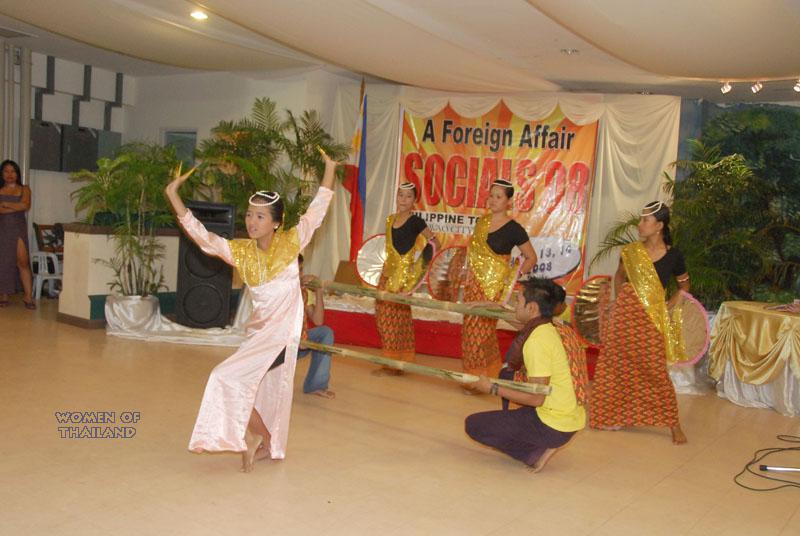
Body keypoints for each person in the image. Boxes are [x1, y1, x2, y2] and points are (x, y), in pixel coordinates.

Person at [165, 152, 338, 472]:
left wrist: (329, 170)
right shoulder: (241, 252)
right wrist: (173, 195)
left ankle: (260, 436)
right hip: (257, 335)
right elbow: (203, 237)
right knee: (244, 388)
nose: (251, 221)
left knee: (224, 378)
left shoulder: (292, 243)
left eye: (260, 216)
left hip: (281, 337)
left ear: (276, 222)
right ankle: (266, 439)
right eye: (249, 215)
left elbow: (317, 210)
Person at [589, 201, 690, 444]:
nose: (639, 224)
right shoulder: (631, 251)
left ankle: (673, 424)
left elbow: (684, 285)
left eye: (645, 220)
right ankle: (611, 415)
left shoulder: (674, 255)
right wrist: (616, 302)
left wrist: (674, 300)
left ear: (659, 226)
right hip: (624, 316)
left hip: (652, 319)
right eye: (641, 219)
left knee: (655, 371)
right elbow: (619, 276)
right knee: (614, 366)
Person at [465, 278, 586, 472]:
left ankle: (534, 451)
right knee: (510, 388)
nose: (514, 306)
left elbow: (536, 398)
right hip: (569, 416)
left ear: (531, 308)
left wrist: (492, 388)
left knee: (474, 425)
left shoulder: (537, 342)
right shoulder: (551, 326)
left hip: (554, 423)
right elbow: (518, 321)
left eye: (518, 302)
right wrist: (493, 307)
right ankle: (542, 442)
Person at [462, 179, 536, 380]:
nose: (493, 200)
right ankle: (484, 374)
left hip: (493, 289)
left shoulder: (514, 229)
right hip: (473, 285)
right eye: (491, 195)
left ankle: (479, 377)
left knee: (481, 332)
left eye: (498, 197)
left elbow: (531, 258)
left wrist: (512, 277)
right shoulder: (481, 222)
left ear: (508, 202)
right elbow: (474, 255)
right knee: (470, 331)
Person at [373, 182, 438, 375]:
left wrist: (417, 271)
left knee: (394, 320)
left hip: (403, 280)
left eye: (408, 196)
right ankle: (395, 362)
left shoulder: (416, 221)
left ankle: (395, 364)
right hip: (387, 274)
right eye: (401, 195)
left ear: (414, 201)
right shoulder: (390, 219)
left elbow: (435, 243)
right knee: (384, 318)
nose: (403, 200)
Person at [297, 253, 335, 399]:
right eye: (295, 270)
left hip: (301, 342)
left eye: (300, 270)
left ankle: (315, 385)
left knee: (325, 333)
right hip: (281, 345)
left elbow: (318, 321)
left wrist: (318, 290)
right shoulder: (280, 290)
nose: (299, 274)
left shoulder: (304, 291)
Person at [0, 160, 34, 309]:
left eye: (13, 171)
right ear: (2, 174)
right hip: (2, 228)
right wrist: (17, 206)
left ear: (18, 173)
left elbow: (26, 205)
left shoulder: (25, 189)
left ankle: (28, 297)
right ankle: (4, 295)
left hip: (18, 228)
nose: (10, 174)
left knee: (23, 262)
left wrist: (6, 204)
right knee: (3, 262)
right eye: (6, 171)